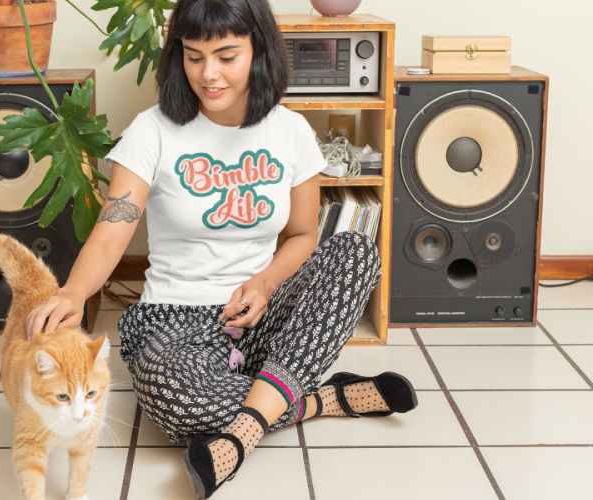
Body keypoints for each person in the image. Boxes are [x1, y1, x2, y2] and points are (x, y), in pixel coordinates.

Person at [26, 0, 417, 497]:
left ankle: (241, 429)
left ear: (259, 51)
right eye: (193, 56)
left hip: (260, 308)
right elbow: (114, 224)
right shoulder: (153, 130)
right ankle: (319, 398)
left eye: (226, 56)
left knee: (356, 252)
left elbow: (302, 237)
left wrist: (265, 282)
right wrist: (73, 292)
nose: (207, 74)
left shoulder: (290, 131)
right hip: (175, 323)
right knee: (174, 401)